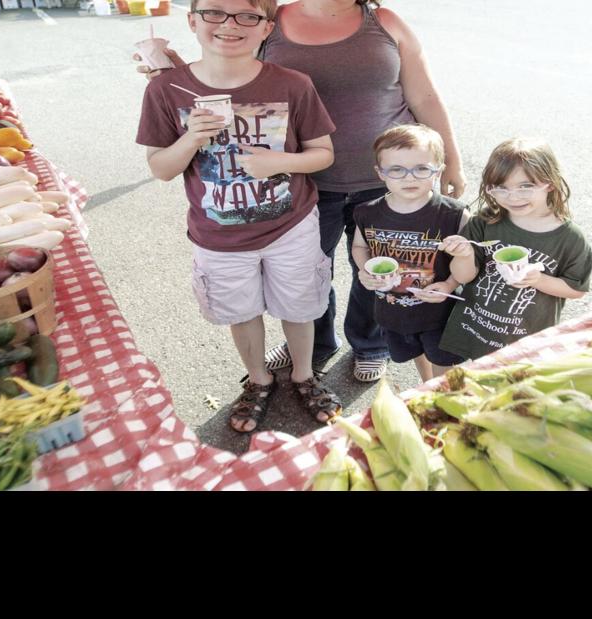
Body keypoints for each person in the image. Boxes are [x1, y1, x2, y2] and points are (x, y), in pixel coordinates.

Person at [139, 0, 467, 383]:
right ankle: (316, 347)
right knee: (309, 275)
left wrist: (452, 160)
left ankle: (369, 345)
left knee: (378, 269)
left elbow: (424, 96)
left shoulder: (385, 22)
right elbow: (233, 67)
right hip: (302, 183)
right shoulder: (274, 20)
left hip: (389, 180)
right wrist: (175, 77)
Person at [136, 0, 343, 432]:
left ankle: (304, 375)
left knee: (300, 306)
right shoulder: (166, 89)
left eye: (248, 16)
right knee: (240, 311)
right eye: (215, 13)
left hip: (291, 226)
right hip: (218, 235)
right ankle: (259, 379)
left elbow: (322, 153)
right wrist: (190, 139)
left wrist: (279, 162)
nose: (230, 25)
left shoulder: (293, 84)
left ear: (267, 28)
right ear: (192, 21)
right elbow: (161, 169)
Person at [437, 139, 592, 362]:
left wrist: (538, 280)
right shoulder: (485, 221)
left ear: (550, 183)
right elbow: (463, 277)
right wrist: (465, 255)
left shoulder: (570, 238)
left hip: (525, 342)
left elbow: (576, 289)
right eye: (501, 188)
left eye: (525, 186)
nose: (513, 197)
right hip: (475, 327)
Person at [351, 124, 467, 382]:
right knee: (416, 352)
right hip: (394, 310)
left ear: (439, 170)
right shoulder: (367, 212)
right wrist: (364, 269)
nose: (409, 178)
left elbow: (471, 263)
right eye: (396, 169)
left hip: (440, 313)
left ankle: (444, 395)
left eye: (421, 168)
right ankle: (427, 385)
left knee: (443, 362)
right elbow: (360, 246)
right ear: (380, 173)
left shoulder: (454, 214)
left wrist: (450, 284)